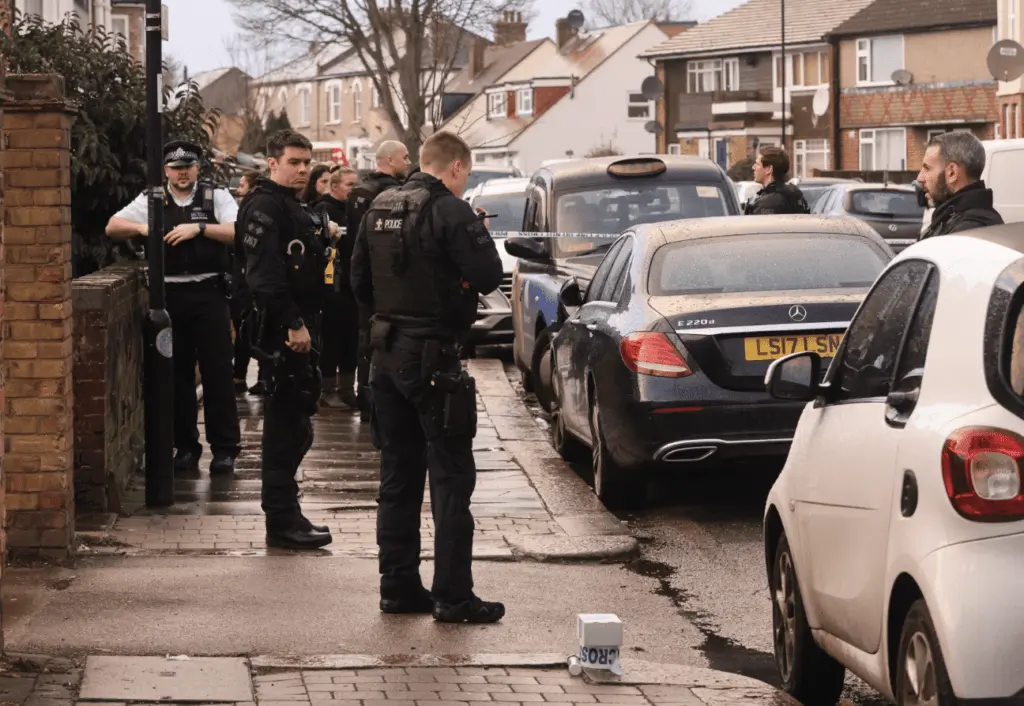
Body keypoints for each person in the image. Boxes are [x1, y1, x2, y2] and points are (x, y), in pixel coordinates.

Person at [351, 131, 505, 622]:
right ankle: (453, 596)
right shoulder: (451, 211)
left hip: (385, 355)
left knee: (397, 475)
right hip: (434, 358)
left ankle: (397, 588)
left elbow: (358, 282)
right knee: (451, 478)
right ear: (456, 167)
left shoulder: (379, 205)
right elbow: (486, 276)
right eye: (469, 173)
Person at [106, 140, 241, 475]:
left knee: (218, 374)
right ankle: (186, 447)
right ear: (166, 170)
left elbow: (237, 231)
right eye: (176, 169)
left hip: (210, 295)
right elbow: (112, 226)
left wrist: (200, 228)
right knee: (176, 376)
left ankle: (225, 450)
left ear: (197, 168)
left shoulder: (215, 196)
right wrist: (142, 227)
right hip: (169, 299)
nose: (183, 174)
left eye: (188, 167)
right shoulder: (152, 199)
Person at [236, 130, 333, 550]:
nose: (303, 170)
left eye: (307, 163)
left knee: (298, 423)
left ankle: (288, 513)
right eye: (294, 162)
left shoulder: (295, 205)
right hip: (282, 329)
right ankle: (281, 520)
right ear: (272, 163)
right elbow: (264, 276)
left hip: (302, 322)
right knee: (285, 429)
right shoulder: (265, 206)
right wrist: (293, 323)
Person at [347, 140, 412, 423]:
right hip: (387, 283)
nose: (408, 162)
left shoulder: (357, 192)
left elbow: (354, 245)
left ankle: (365, 401)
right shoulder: (394, 194)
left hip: (361, 278)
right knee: (386, 345)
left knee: (366, 342)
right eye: (405, 157)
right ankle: (382, 405)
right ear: (389, 160)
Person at [316, 166, 360, 409]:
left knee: (351, 339)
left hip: (352, 284)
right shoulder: (323, 209)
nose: (354, 190)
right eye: (350, 185)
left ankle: (346, 388)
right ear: (334, 187)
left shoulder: (354, 210)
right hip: (332, 286)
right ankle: (328, 389)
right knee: (332, 338)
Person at [917, 131, 1003, 238]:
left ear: (952, 173)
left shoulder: (967, 231)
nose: (919, 178)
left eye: (927, 168)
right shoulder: (952, 218)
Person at [232, 168, 267, 394]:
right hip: (243, 279)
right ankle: (240, 376)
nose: (238, 189)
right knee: (246, 328)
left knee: (255, 329)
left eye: (242, 185)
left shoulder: (253, 210)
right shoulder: (243, 209)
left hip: (250, 281)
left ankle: (260, 378)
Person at [744, 146, 810, 215]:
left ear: (768, 169)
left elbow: (757, 225)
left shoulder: (767, 203)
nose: (753, 167)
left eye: (757, 164)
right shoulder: (795, 194)